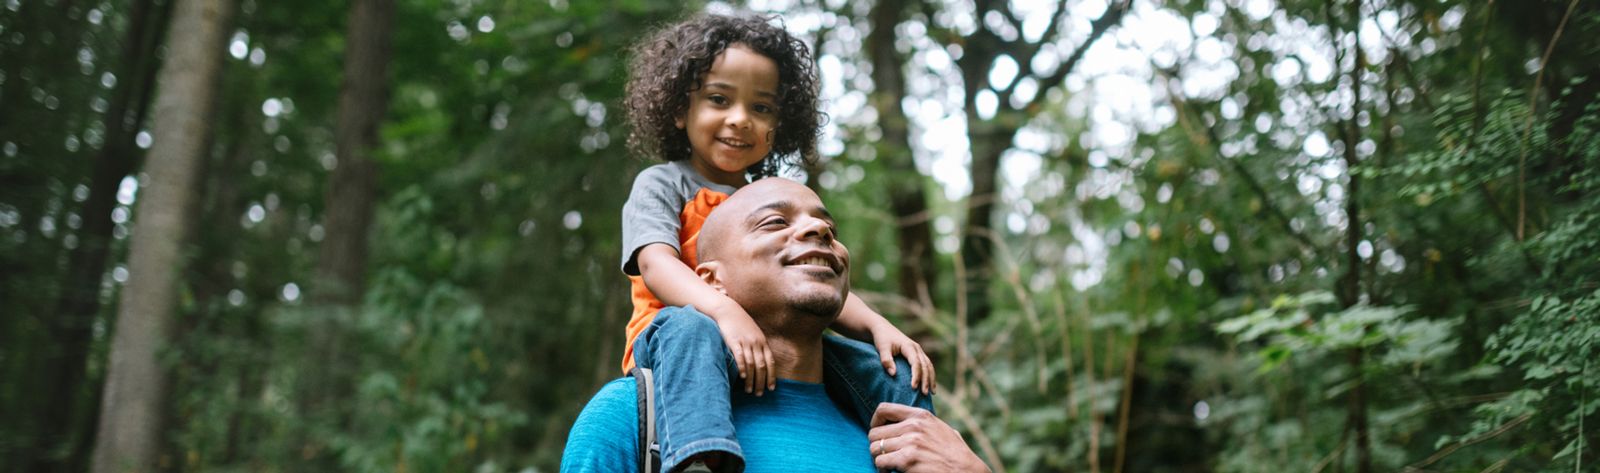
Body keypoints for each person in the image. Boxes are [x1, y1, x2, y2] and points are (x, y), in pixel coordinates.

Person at [614, 13, 934, 472]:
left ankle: (922, 457)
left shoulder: (772, 198)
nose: (740, 119)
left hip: (774, 345)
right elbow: (656, 265)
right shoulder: (663, 184)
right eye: (719, 99)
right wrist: (724, 311)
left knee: (893, 368)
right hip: (677, 341)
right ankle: (697, 458)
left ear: (779, 127)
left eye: (761, 108)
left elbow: (810, 273)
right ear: (680, 111)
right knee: (692, 327)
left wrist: (880, 328)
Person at [563, 178, 988, 473]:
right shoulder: (631, 419)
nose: (819, 228)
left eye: (829, 227)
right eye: (775, 222)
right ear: (712, 282)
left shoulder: (908, 434)